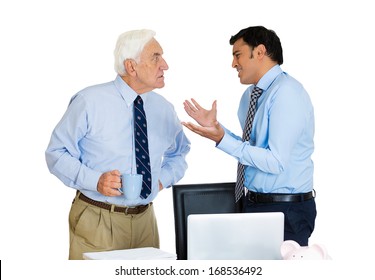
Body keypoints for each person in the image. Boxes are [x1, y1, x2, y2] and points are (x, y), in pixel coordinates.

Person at [46, 29, 191, 259]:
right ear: (131, 66)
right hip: (98, 220)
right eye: (156, 57)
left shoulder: (164, 108)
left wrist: (161, 179)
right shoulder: (89, 101)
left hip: (146, 222)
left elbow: (180, 153)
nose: (165, 65)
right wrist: (95, 180)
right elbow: (56, 153)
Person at [182, 26, 316, 246]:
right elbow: (251, 148)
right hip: (252, 202)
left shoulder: (287, 93)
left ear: (260, 52)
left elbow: (275, 161)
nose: (233, 64)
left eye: (237, 55)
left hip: (286, 210)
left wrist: (222, 140)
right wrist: (219, 130)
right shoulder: (250, 96)